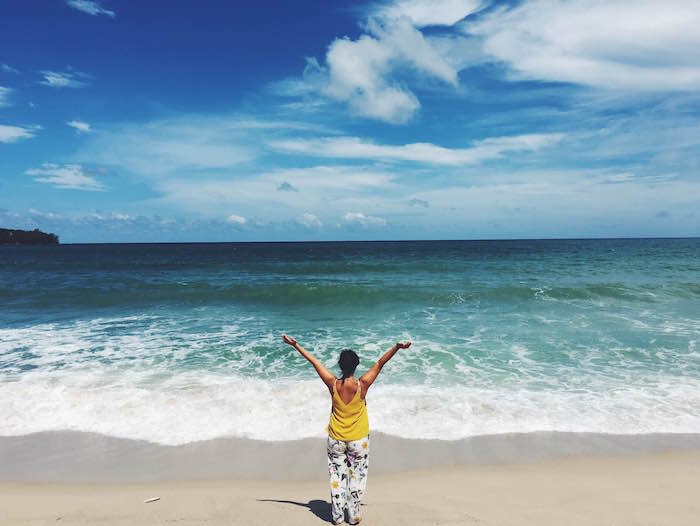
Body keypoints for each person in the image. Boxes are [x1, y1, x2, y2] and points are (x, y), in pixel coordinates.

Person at [281, 334, 412, 525]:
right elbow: (380, 363)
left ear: (340, 366)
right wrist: (397, 347)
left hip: (336, 440)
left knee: (337, 478)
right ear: (356, 365)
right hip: (359, 440)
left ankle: (336, 516)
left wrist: (295, 345)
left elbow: (314, 362)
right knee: (357, 478)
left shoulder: (332, 384)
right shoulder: (362, 385)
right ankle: (353, 514)